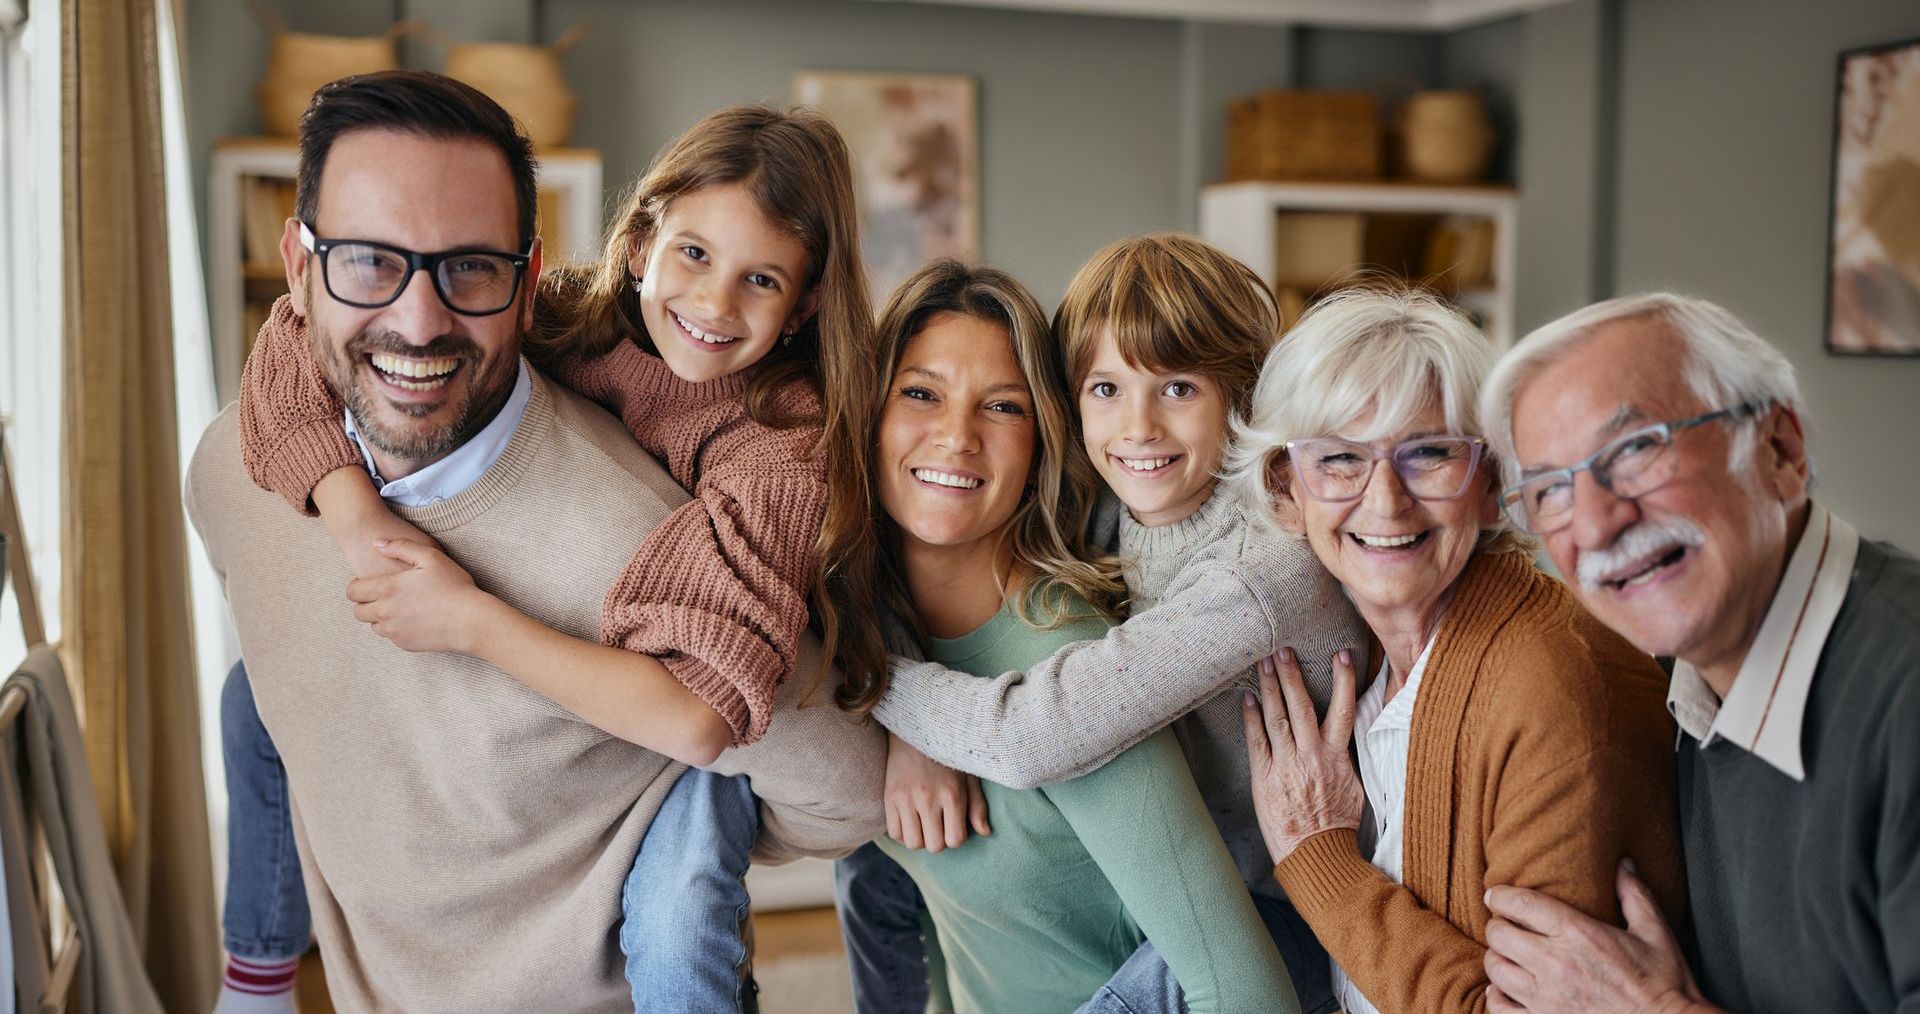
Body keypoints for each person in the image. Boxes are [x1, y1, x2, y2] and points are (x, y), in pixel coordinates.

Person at [185, 70, 884, 1012]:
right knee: (249, 696)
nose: (714, 305)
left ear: (801, 305)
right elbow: (289, 339)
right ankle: (257, 977)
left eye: (759, 280)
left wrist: (473, 620)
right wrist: (359, 522)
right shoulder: (566, 315)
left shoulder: (772, 451)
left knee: (682, 904)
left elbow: (700, 716)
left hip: (721, 657)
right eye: (694, 255)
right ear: (638, 244)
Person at [852, 234, 1363, 1014]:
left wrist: (879, 684)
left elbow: (1037, 735)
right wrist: (900, 718)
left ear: (1241, 393)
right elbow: (892, 551)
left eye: (1180, 388)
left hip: (1305, 916)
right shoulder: (1108, 507)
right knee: (866, 866)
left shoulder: (1262, 568)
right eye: (1106, 389)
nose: (1140, 426)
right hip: (1226, 874)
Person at [1227, 286, 1686, 1014]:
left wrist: (1316, 858)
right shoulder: (1354, 657)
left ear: (1490, 482)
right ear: (1287, 489)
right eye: (1341, 459)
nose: (1385, 501)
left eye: (1430, 454)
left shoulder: (1550, 692)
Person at [1476, 293, 1920, 1014]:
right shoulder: (1675, 693)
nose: (1593, 524)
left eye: (1635, 449)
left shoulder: (1903, 690)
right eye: (1551, 490)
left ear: (1781, 449)